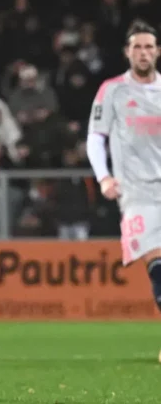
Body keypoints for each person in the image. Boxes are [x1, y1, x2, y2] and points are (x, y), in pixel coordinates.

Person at [86, 19, 161, 360]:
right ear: (127, 53)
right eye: (137, 47)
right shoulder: (112, 90)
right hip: (136, 193)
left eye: (149, 47)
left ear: (157, 52)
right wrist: (104, 177)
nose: (143, 53)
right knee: (157, 265)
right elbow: (95, 138)